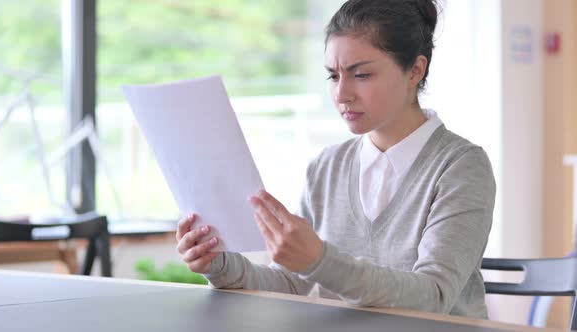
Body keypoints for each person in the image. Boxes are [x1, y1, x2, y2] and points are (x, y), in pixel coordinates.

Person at [176, 0, 495, 319]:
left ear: (415, 70)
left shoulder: (462, 167)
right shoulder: (327, 166)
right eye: (333, 76)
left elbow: (434, 295)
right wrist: (220, 264)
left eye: (362, 75)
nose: (342, 94)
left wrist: (319, 260)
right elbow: (291, 283)